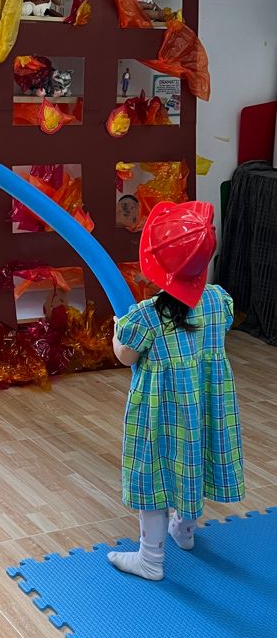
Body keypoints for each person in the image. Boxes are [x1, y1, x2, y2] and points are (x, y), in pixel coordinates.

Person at [108, 201, 244, 581]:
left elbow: (125, 356)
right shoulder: (219, 302)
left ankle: (150, 560)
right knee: (191, 459)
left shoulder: (146, 316)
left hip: (160, 411)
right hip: (203, 407)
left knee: (154, 475)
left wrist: (119, 329)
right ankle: (184, 530)